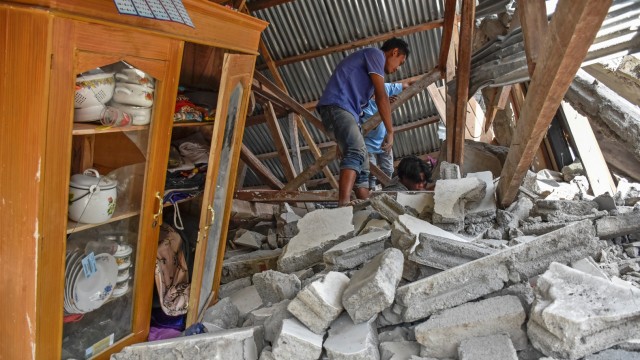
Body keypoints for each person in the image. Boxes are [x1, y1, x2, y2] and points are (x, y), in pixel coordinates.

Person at [316, 38, 409, 207]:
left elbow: (368, 103)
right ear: (394, 52)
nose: (397, 69)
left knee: (363, 164)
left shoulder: (370, 80)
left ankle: (365, 207)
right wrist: (390, 131)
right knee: (356, 151)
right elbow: (382, 97)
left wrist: (341, 139)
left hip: (346, 114)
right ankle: (343, 203)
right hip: (338, 106)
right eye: (400, 62)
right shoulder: (376, 55)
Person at [362, 81, 413, 190]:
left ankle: (387, 190)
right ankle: (370, 192)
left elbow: (406, 85)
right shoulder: (360, 101)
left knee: (388, 170)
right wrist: (383, 105)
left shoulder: (383, 87)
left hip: (384, 139)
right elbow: (373, 124)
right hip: (367, 142)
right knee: (371, 171)